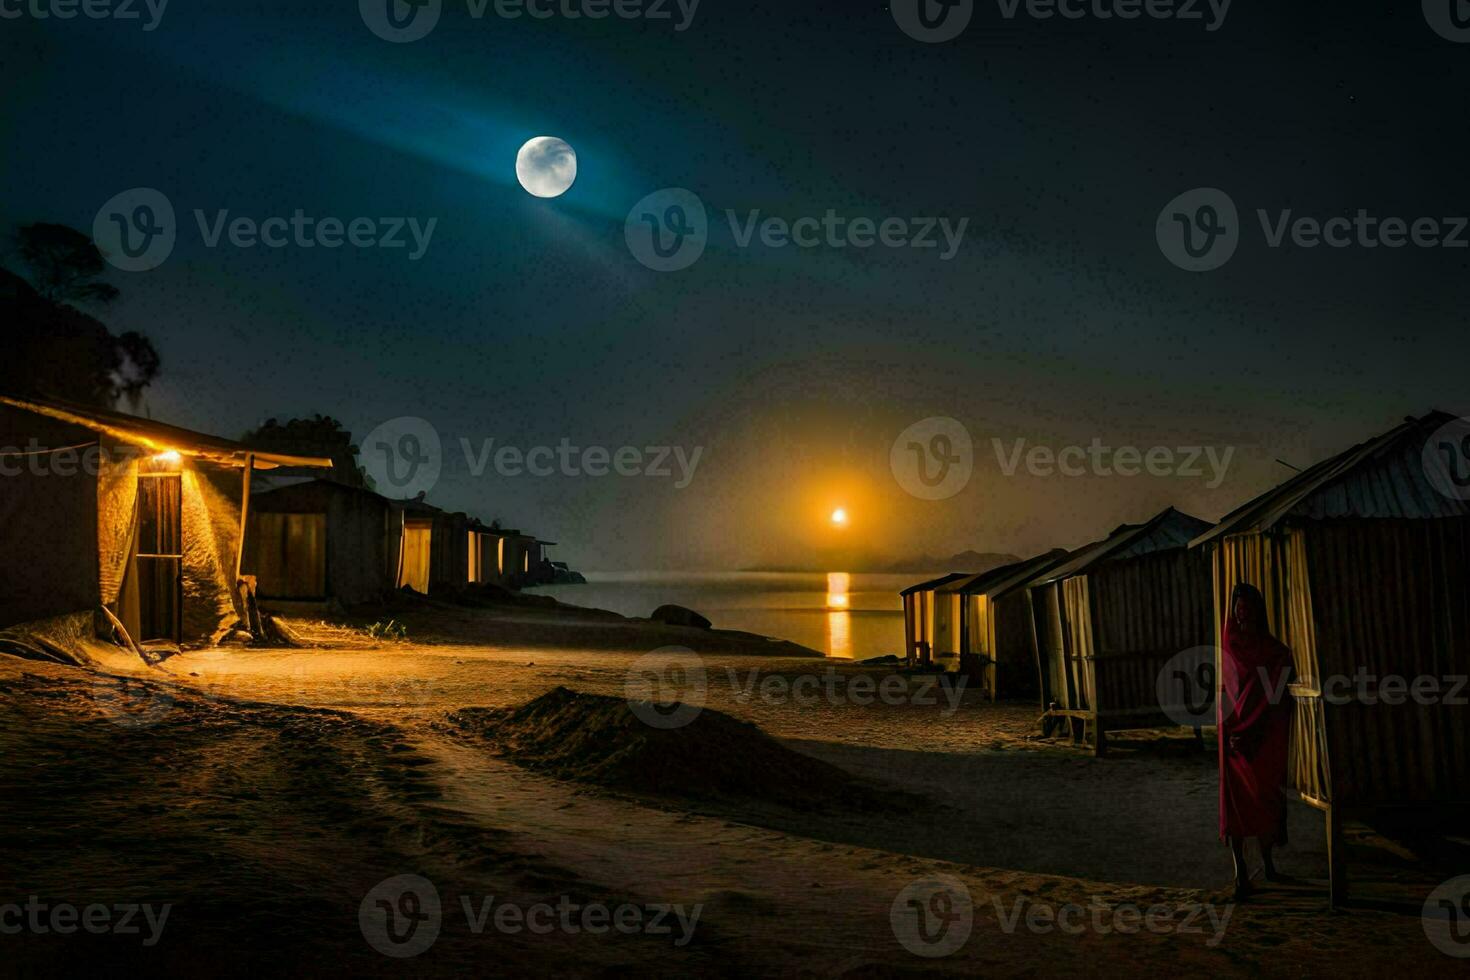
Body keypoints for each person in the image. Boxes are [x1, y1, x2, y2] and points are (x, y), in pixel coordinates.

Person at [1219, 582, 1294, 899]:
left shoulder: (1272, 651)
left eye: (1247, 605)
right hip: (1233, 733)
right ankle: (1240, 876)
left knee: (1265, 796)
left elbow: (1276, 688)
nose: (1241, 610)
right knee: (1235, 805)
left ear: (1257, 610)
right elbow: (1230, 687)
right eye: (1237, 605)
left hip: (1261, 735)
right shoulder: (1229, 644)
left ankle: (1268, 864)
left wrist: (1256, 726)